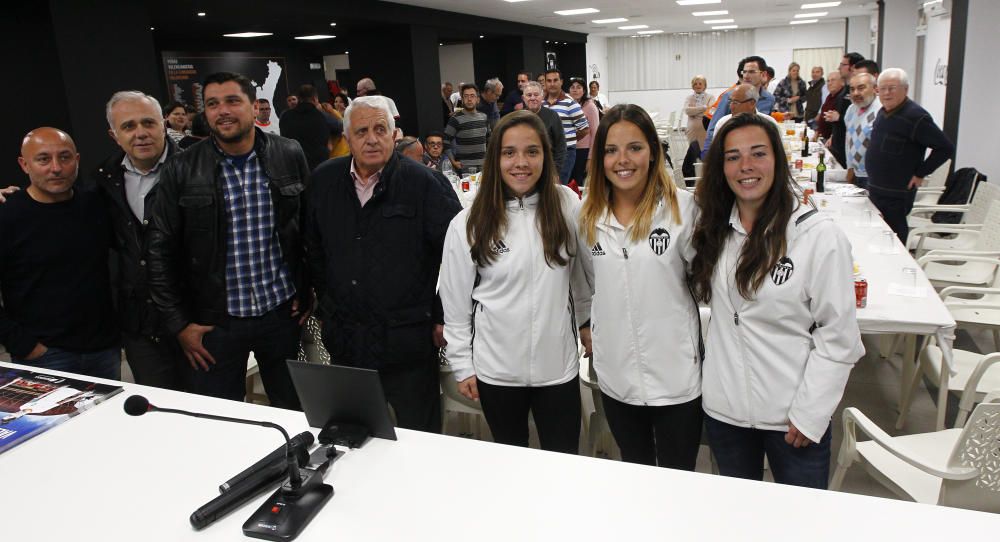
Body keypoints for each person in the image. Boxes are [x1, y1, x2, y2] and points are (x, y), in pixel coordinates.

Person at [691, 114, 864, 489]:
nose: (746, 166)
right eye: (733, 157)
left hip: (792, 418)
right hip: (726, 412)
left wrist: (811, 412)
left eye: (758, 153)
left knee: (801, 522)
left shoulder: (818, 236)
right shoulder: (714, 230)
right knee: (741, 519)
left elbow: (840, 338)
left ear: (778, 160)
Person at [146, 72, 310, 409]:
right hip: (213, 324)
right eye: (212, 104)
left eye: (233, 101)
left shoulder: (288, 153)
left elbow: (308, 230)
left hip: (280, 314)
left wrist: (307, 289)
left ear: (254, 107)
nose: (223, 111)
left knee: (293, 413)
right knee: (221, 419)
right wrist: (179, 325)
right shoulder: (182, 168)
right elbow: (159, 251)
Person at [305, 95, 461, 433]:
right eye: (361, 131)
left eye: (380, 129)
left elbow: (457, 258)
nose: (371, 139)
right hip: (347, 339)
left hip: (407, 340)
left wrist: (442, 314)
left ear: (394, 135)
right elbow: (313, 249)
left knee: (419, 437)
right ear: (347, 138)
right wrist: (327, 304)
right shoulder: (323, 181)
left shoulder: (426, 184)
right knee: (355, 438)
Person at [440, 110, 587, 453]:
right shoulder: (469, 223)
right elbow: (456, 305)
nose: (521, 162)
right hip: (497, 372)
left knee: (565, 464)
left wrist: (586, 324)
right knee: (510, 464)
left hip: (558, 368)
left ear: (545, 157)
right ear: (496, 158)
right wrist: (462, 366)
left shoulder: (567, 204)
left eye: (532, 151)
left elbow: (582, 278)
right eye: (509, 153)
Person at [576, 104, 703, 469]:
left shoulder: (684, 209)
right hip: (616, 375)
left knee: (680, 478)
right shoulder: (587, 216)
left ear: (652, 151)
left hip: (676, 375)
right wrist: (588, 325)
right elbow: (586, 281)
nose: (623, 160)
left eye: (634, 147)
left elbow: (706, 282)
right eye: (611, 150)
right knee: (635, 471)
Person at [0, 128, 120, 379]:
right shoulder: (7, 216)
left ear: (76, 160)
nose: (56, 168)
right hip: (44, 354)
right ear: (24, 164)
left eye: (64, 158)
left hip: (104, 349)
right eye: (43, 159)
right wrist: (23, 344)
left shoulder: (95, 205)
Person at [94, 90, 185, 389]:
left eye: (148, 123)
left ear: (163, 124)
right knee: (157, 413)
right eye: (129, 126)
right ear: (114, 135)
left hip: (195, 322)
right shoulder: (105, 178)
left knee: (214, 411)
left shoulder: (197, 167)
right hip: (141, 326)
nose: (141, 133)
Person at [866, 68, 954, 244]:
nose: (886, 93)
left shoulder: (916, 116)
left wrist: (921, 173)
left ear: (905, 89)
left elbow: (945, 147)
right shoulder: (883, 112)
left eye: (892, 88)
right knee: (877, 233)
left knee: (894, 234)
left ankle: (898, 267)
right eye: (882, 89)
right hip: (876, 187)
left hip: (897, 191)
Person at [703, 56, 774, 158]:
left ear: (763, 74)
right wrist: (707, 155)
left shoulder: (769, 99)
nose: (746, 76)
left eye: (751, 72)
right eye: (744, 72)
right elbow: (713, 129)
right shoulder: (730, 96)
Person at [543, 69, 589, 184]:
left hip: (565, 152)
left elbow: (585, 129)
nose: (552, 84)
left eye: (555, 80)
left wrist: (567, 140)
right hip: (545, 152)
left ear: (561, 82)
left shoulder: (570, 103)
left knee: (558, 186)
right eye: (549, 81)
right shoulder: (541, 103)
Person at [702, 84, 779, 153]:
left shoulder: (769, 124)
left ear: (752, 103)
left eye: (735, 102)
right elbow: (717, 154)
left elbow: (778, 153)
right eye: (730, 102)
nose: (731, 107)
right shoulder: (723, 123)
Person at [280, 84, 338, 171]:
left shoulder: (285, 117)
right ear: (315, 99)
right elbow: (339, 126)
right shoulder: (321, 115)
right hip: (319, 167)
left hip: (294, 167)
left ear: (298, 99)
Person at [823, 52, 865, 169]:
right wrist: (832, 135)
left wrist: (839, 118)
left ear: (852, 67)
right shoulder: (845, 89)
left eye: (842, 64)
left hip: (849, 149)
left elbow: (859, 120)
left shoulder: (860, 95)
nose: (839, 67)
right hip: (838, 144)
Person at [843, 72, 881, 189]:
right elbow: (849, 140)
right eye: (852, 89)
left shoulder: (881, 111)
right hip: (856, 173)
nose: (855, 93)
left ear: (875, 89)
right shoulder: (851, 109)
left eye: (861, 88)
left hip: (874, 177)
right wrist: (850, 167)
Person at [444, 83, 490, 175]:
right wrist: (453, 162)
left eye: (472, 96)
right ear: (462, 99)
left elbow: (490, 139)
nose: (469, 99)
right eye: (466, 96)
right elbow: (446, 141)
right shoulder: (455, 119)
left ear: (477, 99)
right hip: (465, 168)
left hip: (484, 166)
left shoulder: (484, 117)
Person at [522, 81, 566, 174]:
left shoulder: (552, 116)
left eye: (536, 95)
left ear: (542, 97)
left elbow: (560, 146)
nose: (533, 98)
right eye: (529, 95)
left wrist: (555, 171)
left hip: (548, 168)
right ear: (523, 98)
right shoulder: (518, 117)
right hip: (525, 168)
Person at [568, 77, 599, 187]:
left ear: (584, 90)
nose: (575, 90)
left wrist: (591, 158)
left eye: (579, 87)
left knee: (578, 182)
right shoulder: (568, 105)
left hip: (583, 151)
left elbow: (595, 133)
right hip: (569, 149)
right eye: (572, 87)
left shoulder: (590, 106)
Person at [684, 75, 714, 149]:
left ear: (704, 86)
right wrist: (703, 108)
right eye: (695, 84)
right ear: (693, 86)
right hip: (692, 130)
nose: (698, 86)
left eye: (700, 84)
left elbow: (710, 111)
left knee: (705, 152)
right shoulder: (689, 98)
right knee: (693, 152)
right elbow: (687, 111)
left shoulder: (710, 97)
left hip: (705, 129)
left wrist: (694, 111)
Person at [815, 71, 844, 143]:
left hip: (834, 141)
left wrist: (832, 137)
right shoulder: (830, 96)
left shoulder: (842, 98)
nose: (829, 83)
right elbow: (823, 115)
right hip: (824, 138)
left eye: (833, 80)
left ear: (842, 82)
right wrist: (818, 132)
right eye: (828, 81)